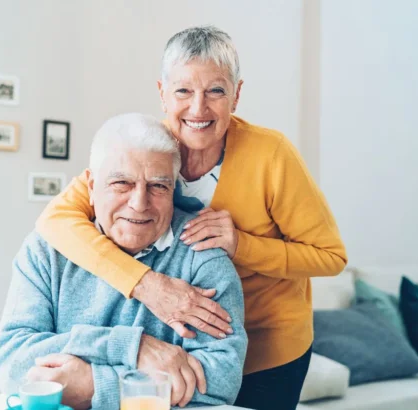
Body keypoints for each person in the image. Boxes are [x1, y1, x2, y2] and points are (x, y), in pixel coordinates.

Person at [35, 26, 347, 410]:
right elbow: (56, 221)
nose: (198, 109)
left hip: (270, 347)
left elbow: (330, 256)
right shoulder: (146, 149)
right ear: (163, 94)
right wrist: (147, 285)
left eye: (215, 91)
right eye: (183, 91)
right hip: (183, 340)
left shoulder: (273, 156)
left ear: (236, 94)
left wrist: (240, 244)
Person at [0, 113, 247, 410]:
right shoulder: (46, 250)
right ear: (90, 185)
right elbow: (13, 365)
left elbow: (220, 380)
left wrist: (96, 385)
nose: (139, 203)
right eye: (122, 183)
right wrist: (130, 346)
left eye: (158, 186)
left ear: (173, 189)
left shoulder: (202, 255)